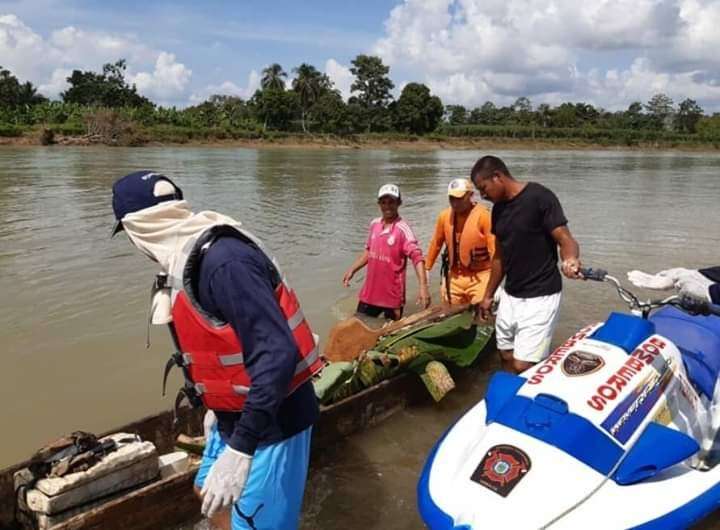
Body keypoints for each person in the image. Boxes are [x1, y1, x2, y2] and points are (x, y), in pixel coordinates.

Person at [111, 171, 323, 530]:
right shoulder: (185, 257)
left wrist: (242, 450)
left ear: (137, 229)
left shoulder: (223, 263)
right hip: (232, 417)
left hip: (273, 422)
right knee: (205, 492)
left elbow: (276, 355)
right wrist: (216, 410)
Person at [470, 155, 583, 375]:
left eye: (483, 188)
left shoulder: (540, 197)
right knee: (505, 353)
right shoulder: (498, 210)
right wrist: (487, 295)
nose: (483, 195)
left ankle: (534, 391)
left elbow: (565, 239)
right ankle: (515, 394)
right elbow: (499, 257)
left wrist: (571, 259)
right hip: (512, 294)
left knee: (524, 365)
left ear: (497, 177)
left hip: (541, 295)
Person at [343, 183, 430, 320]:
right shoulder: (374, 224)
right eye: (383, 202)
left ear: (399, 203)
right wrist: (352, 270)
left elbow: (417, 258)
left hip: (392, 298)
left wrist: (423, 287)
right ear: (379, 204)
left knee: (390, 336)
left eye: (391, 202)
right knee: (356, 327)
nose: (387, 206)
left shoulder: (403, 229)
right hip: (370, 294)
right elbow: (369, 252)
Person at [425, 178, 495, 305]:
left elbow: (495, 252)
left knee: (481, 311)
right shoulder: (444, 216)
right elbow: (436, 243)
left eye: (459, 198)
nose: (455, 203)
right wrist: (427, 269)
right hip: (454, 277)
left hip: (480, 276)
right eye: (451, 198)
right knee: (448, 312)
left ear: (470, 195)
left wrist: (495, 282)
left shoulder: (484, 216)